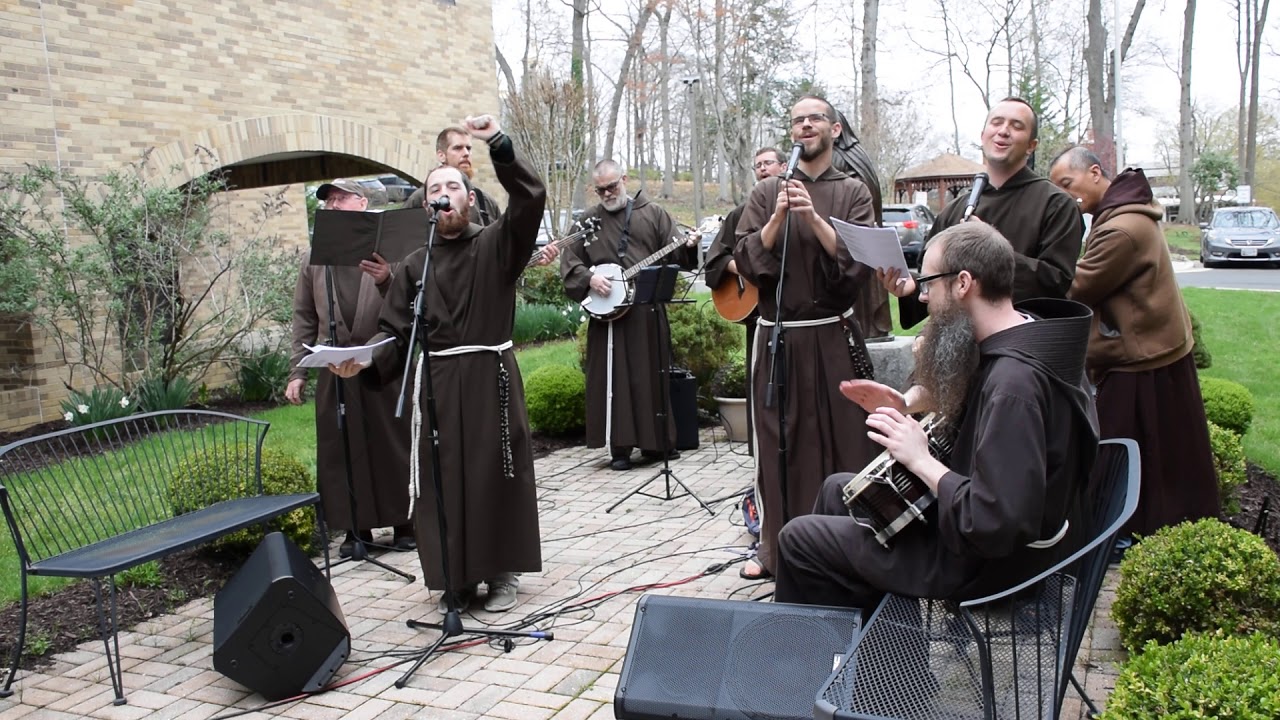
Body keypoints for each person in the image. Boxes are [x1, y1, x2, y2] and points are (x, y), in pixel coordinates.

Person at [774, 221, 1100, 609]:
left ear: (963, 283)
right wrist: (904, 403)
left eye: (929, 283)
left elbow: (996, 521)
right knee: (836, 491)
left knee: (799, 538)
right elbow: (970, 379)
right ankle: (875, 640)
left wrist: (920, 459)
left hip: (983, 564)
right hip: (976, 534)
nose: (923, 296)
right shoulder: (1023, 333)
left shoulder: (1015, 387)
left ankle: (822, 644)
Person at [331, 115, 558, 613]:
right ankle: (456, 575)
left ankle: (502, 573)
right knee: (444, 477)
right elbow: (395, 333)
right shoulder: (416, 264)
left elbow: (531, 199)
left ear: (469, 199)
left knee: (495, 473)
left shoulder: (497, 244)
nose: (444, 194)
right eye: (435, 189)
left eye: (453, 187)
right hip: (437, 384)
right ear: (426, 206)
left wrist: (499, 144)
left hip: (490, 380)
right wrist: (361, 362)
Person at [732, 95, 882, 580]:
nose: (805, 125)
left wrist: (814, 218)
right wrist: (778, 217)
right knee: (782, 447)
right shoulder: (766, 192)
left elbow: (860, 261)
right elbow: (746, 258)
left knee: (846, 443)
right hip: (780, 341)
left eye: (815, 118)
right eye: (798, 120)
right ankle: (776, 552)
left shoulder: (853, 191)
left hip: (833, 336)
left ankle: (849, 552)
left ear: (834, 130)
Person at [1049, 146, 1219, 539]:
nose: (1066, 196)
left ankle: (1120, 532)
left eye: (1068, 184)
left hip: (1139, 356)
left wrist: (1030, 267)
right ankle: (1160, 525)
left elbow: (1076, 287)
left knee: (1119, 451)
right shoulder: (1124, 214)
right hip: (1156, 348)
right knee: (1166, 451)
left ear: (1095, 173)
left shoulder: (1121, 229)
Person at [286, 178, 414, 558]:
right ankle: (357, 529)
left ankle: (405, 523)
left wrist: (386, 279)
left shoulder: (390, 250)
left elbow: (408, 304)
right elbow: (304, 317)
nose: (333, 205)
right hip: (334, 367)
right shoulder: (313, 258)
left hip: (383, 363)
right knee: (342, 449)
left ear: (361, 203)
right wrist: (297, 372)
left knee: (392, 443)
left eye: (341, 198)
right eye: (329, 200)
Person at [891, 98, 1085, 327]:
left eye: (1016, 126)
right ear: (983, 136)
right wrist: (912, 289)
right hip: (958, 339)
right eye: (997, 122)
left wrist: (987, 248)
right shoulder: (955, 210)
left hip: (1024, 339)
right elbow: (936, 282)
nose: (1003, 131)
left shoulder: (1057, 205)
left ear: (1031, 145)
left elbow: (1056, 283)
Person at [560, 160, 698, 471]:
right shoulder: (588, 221)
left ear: (624, 179)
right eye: (600, 190)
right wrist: (589, 278)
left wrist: (690, 246)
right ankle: (620, 449)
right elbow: (569, 261)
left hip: (646, 312)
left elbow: (677, 254)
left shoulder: (654, 214)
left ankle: (656, 444)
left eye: (612, 186)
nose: (607, 194)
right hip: (607, 318)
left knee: (650, 377)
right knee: (614, 382)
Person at [703, 146, 786, 455]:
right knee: (760, 378)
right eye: (758, 165)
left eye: (768, 163)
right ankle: (761, 452)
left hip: (795, 312)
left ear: (784, 167)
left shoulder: (801, 204)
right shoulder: (741, 213)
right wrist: (744, 268)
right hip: (759, 315)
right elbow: (716, 258)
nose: (763, 169)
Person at [404, 126, 503, 225]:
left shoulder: (485, 202)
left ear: (471, 198)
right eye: (457, 148)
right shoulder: (420, 199)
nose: (466, 153)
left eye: (468, 148)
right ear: (441, 155)